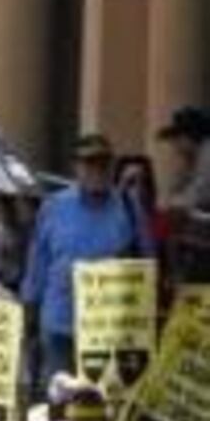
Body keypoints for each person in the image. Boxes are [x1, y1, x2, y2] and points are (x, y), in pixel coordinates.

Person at [20, 133, 152, 385]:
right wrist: (28, 314)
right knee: (58, 408)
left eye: (103, 163)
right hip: (60, 326)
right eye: (89, 163)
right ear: (76, 167)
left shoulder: (128, 206)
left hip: (112, 332)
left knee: (105, 412)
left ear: (111, 166)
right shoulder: (54, 207)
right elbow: (37, 265)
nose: (97, 170)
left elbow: (148, 263)